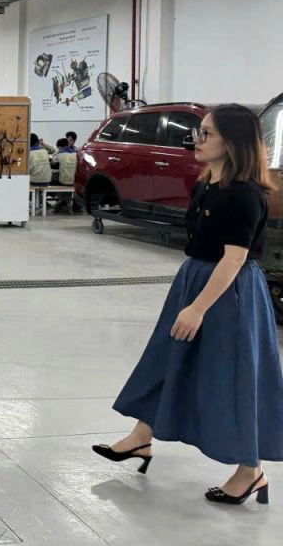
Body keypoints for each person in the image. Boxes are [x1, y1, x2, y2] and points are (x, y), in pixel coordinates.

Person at [93, 104, 283, 505]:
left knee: (231, 377)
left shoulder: (244, 194)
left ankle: (251, 471)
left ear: (232, 143)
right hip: (195, 280)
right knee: (167, 358)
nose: (196, 139)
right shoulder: (207, 185)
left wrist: (198, 308)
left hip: (227, 292)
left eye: (207, 134)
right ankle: (142, 436)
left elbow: (234, 259)